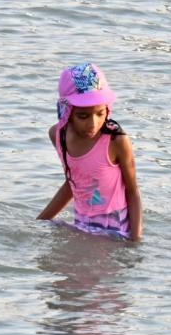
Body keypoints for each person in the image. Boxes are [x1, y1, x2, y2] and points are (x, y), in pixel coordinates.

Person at [37, 63, 143, 241]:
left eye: (100, 113)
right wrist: (41, 221)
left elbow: (133, 192)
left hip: (115, 232)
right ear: (67, 111)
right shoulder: (57, 135)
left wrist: (136, 241)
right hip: (82, 226)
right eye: (83, 116)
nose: (93, 124)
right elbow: (74, 183)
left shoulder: (116, 141)